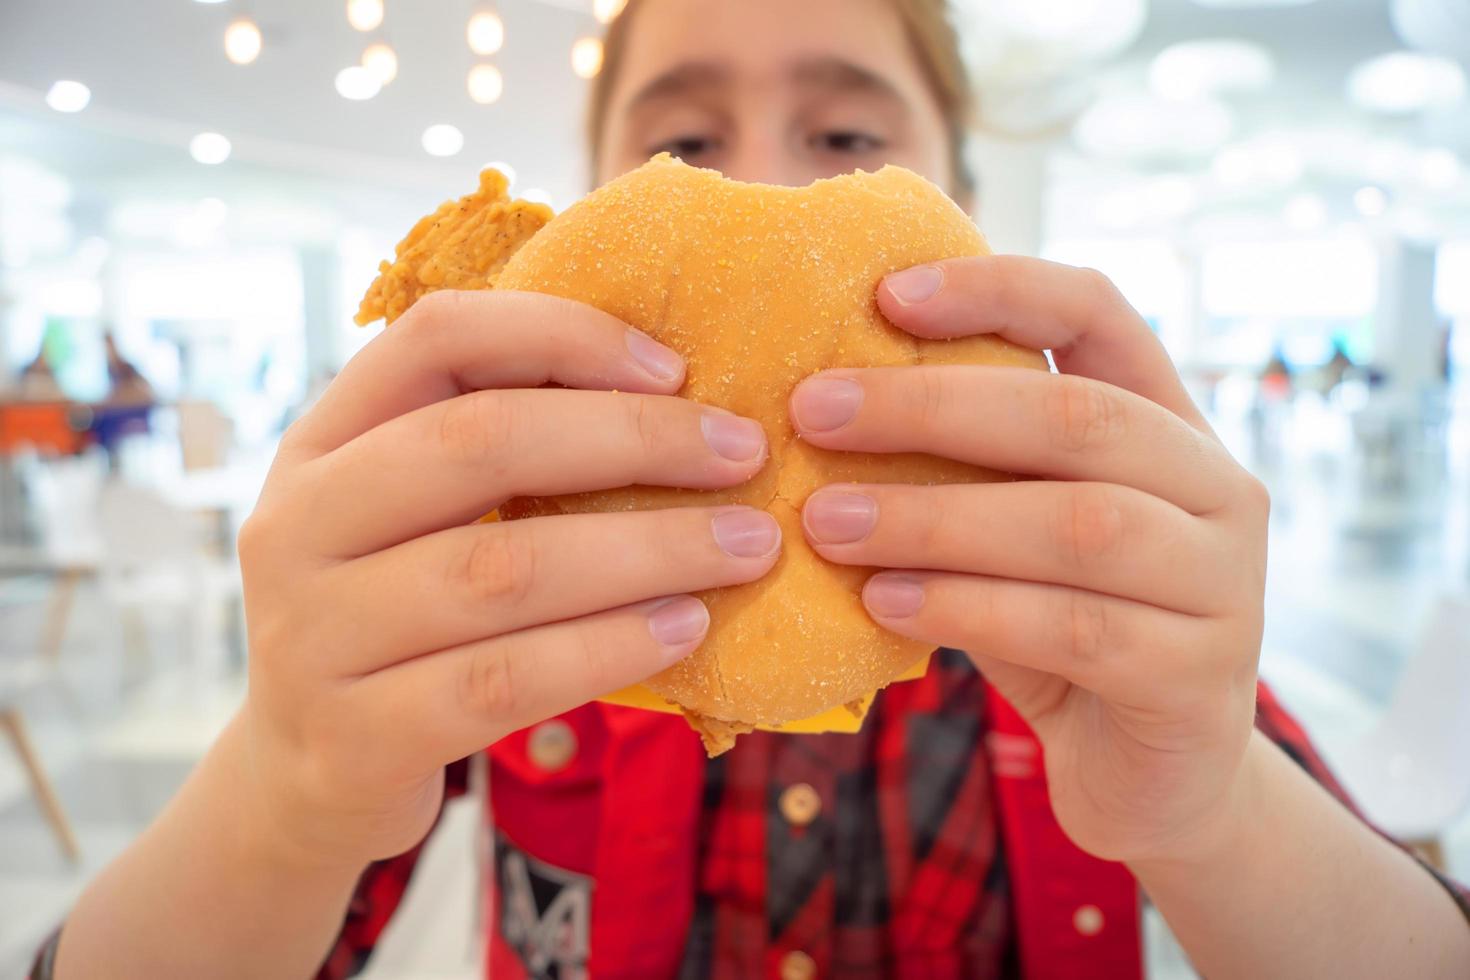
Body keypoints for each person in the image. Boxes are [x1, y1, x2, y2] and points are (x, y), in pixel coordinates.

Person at [37, 1, 1470, 978]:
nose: (764, 202)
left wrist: (1209, 803)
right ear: (580, 212)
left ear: (965, 190)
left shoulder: (1081, 600)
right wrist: (284, 793)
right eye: (683, 147)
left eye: (848, 138)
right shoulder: (494, 588)